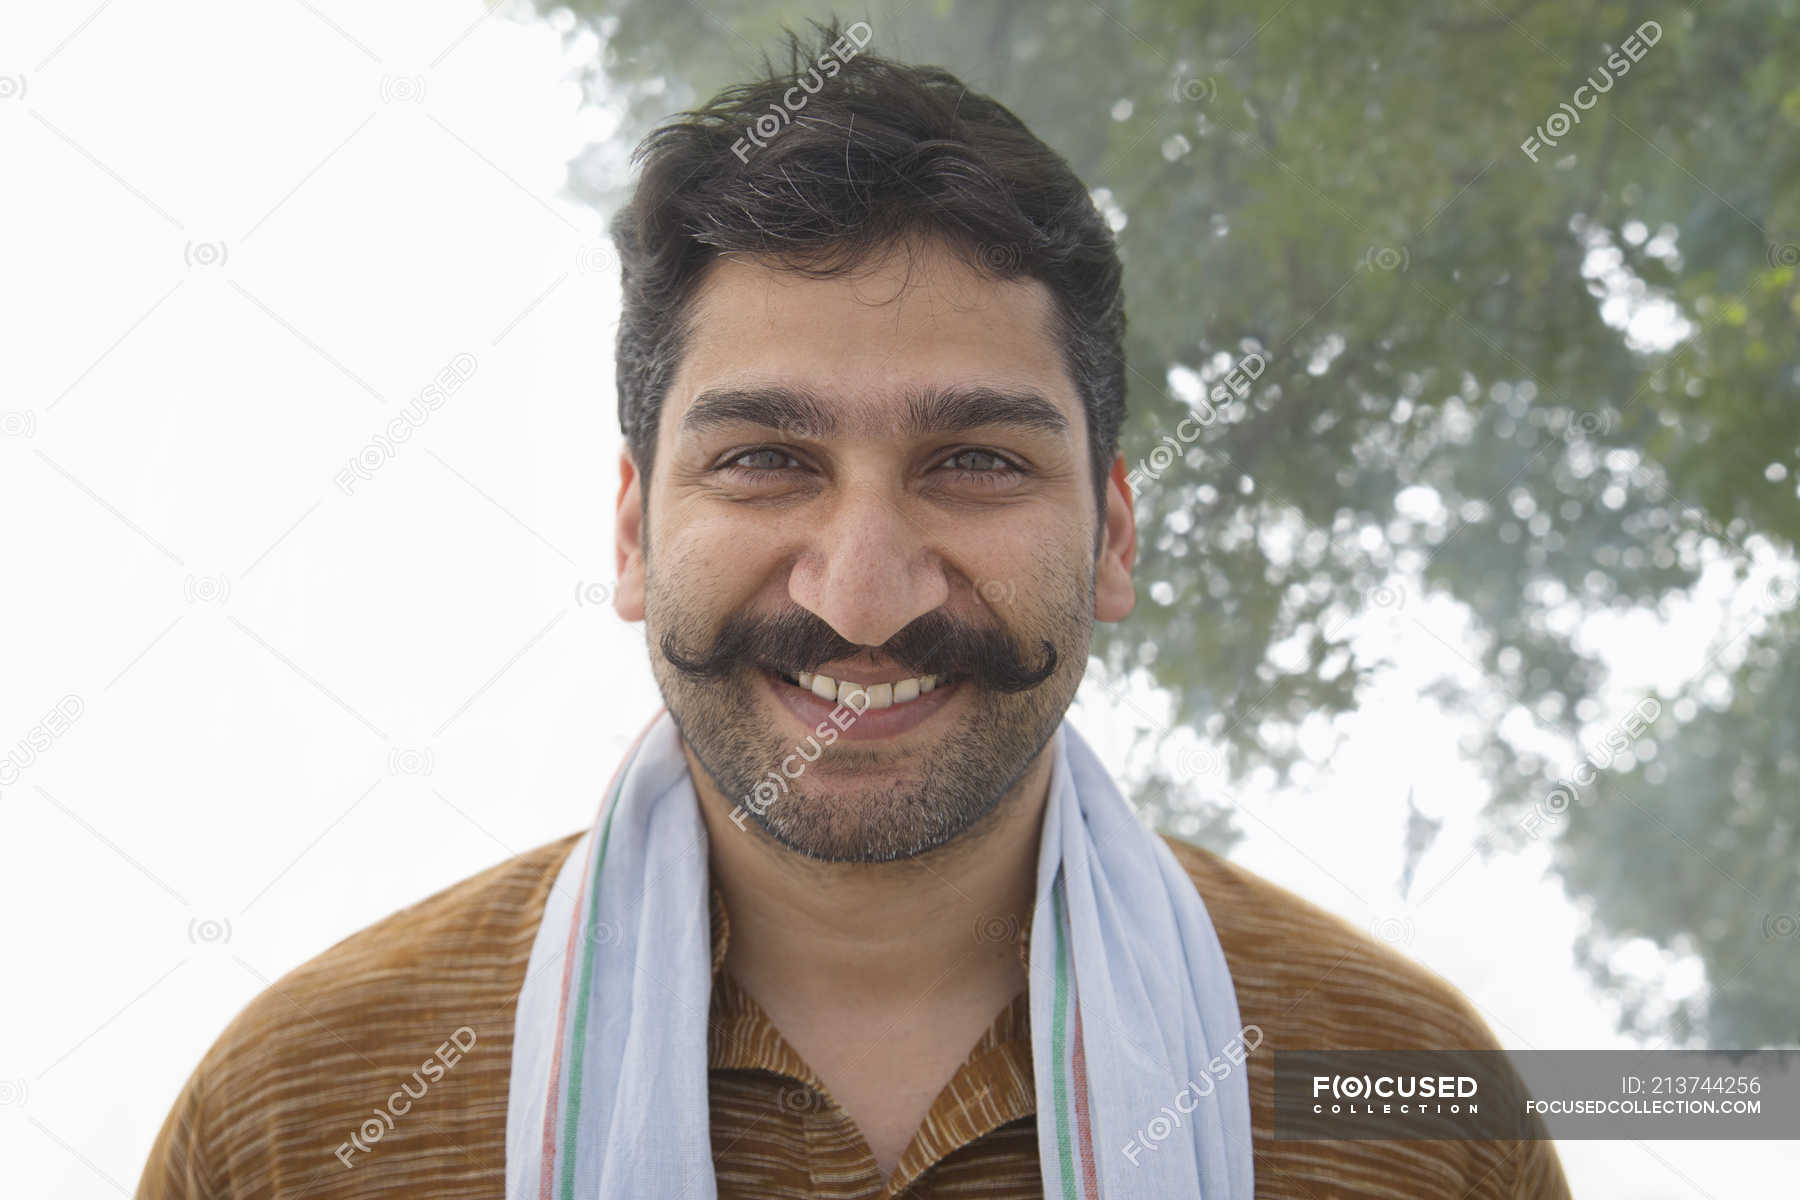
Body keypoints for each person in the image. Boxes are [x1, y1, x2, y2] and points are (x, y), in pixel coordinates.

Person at [138, 21, 1571, 1199]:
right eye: (766, 461)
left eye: (975, 464)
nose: (866, 591)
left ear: (1113, 533)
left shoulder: (1414, 1104)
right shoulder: (297, 1122)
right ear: (636, 531)